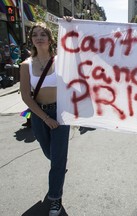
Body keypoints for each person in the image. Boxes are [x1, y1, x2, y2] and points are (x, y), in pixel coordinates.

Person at [20, 22, 70, 216]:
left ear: (50, 39)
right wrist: (44, 118)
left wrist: (70, 23)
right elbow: (26, 96)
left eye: (43, 34)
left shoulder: (62, 60)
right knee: (50, 153)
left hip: (61, 112)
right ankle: (59, 166)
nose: (39, 37)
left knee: (57, 159)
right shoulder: (26, 65)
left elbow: (81, 49)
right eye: (35, 34)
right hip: (39, 114)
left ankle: (55, 198)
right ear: (31, 39)